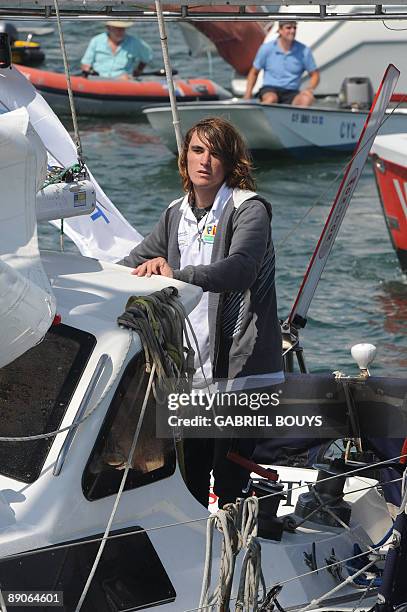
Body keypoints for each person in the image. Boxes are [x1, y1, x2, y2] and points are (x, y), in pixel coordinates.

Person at [119, 117, 283, 508]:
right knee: (190, 475)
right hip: (192, 367)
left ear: (230, 162)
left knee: (229, 484)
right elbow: (129, 264)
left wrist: (179, 275)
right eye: (197, 150)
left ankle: (238, 558)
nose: (204, 161)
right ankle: (195, 559)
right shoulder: (175, 214)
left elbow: (241, 267)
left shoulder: (249, 209)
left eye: (215, 153)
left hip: (241, 369)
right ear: (185, 158)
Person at [244, 20, 320, 107]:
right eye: (288, 28)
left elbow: (315, 74)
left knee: (306, 99)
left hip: (292, 92)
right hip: (270, 89)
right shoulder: (267, 48)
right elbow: (254, 72)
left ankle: (293, 119)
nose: (292, 31)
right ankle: (262, 117)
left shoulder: (304, 51)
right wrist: (248, 94)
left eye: (294, 28)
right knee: (271, 99)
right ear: (280, 30)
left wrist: (309, 89)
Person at [80, 20, 152, 80]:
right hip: (98, 79)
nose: (119, 31)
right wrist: (90, 72)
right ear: (108, 28)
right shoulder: (96, 40)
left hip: (123, 81)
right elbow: (86, 63)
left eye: (122, 28)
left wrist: (138, 72)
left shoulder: (135, 42)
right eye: (116, 28)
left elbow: (147, 56)